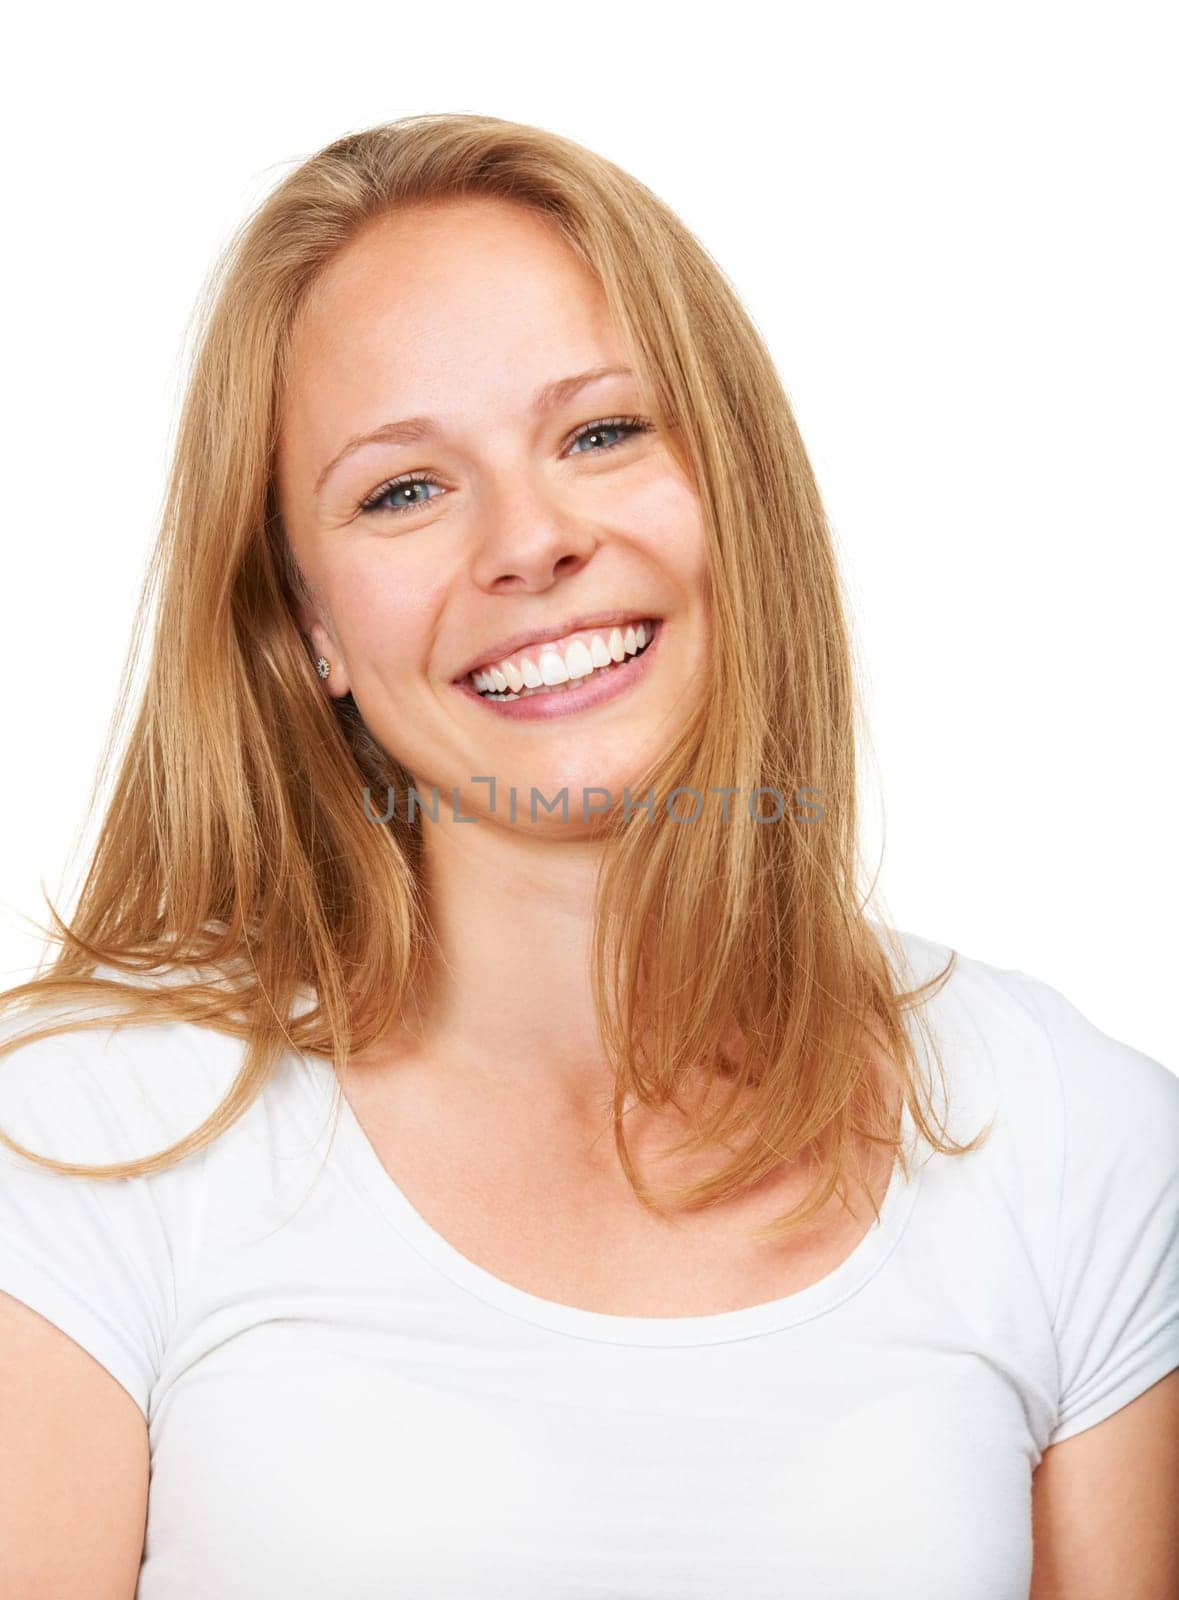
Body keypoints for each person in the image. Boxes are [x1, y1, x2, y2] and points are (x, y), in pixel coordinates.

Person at [0, 112, 1175, 1599]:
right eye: (403, 490)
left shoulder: (1079, 1139)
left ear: (731, 491)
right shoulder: (81, 1141)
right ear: (305, 631)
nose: (530, 540)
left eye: (602, 433)